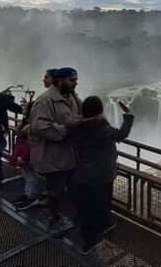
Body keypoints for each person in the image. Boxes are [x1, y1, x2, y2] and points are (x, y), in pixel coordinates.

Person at [29, 67, 95, 234]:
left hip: (69, 153)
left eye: (75, 79)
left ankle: (79, 215)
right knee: (55, 190)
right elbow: (39, 127)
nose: (76, 83)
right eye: (72, 80)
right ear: (60, 81)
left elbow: (81, 113)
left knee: (73, 186)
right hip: (52, 155)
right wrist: (68, 128)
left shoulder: (71, 96)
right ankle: (55, 220)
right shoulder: (45, 100)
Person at [72, 97, 134, 254]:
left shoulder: (77, 126)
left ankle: (91, 236)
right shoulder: (99, 129)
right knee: (99, 203)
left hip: (82, 173)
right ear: (99, 111)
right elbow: (121, 133)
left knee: (87, 206)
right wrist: (128, 115)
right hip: (101, 174)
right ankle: (95, 235)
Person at [9, 114, 45, 210]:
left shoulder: (26, 131)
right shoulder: (33, 129)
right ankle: (29, 196)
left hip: (25, 159)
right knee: (30, 178)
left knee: (30, 178)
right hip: (27, 159)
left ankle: (30, 196)